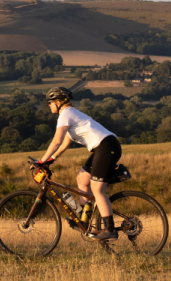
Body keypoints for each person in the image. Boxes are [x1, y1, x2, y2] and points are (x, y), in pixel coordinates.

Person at [38, 86, 122, 240]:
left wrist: (41, 161)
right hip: (103, 147)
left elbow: (56, 141)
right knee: (82, 179)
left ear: (58, 102)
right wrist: (50, 160)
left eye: (50, 102)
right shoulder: (71, 115)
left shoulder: (66, 114)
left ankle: (110, 230)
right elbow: (63, 145)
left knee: (97, 190)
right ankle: (84, 220)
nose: (48, 105)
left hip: (106, 147)